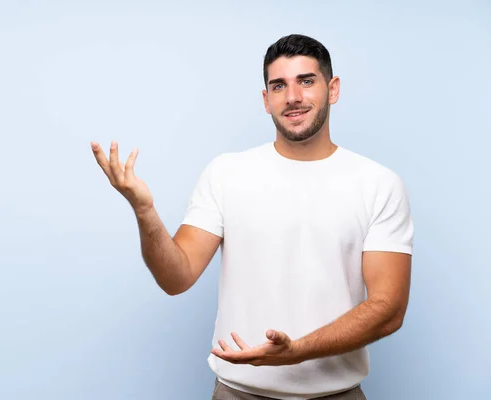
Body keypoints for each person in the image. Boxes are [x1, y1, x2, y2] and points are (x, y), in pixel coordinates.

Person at [91, 34, 413, 400]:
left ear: (333, 88)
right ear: (266, 99)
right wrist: (145, 211)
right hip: (237, 392)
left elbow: (389, 308)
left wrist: (297, 351)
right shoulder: (227, 173)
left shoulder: (378, 184)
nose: (292, 97)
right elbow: (175, 277)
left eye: (306, 81)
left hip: (337, 393)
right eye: (279, 86)